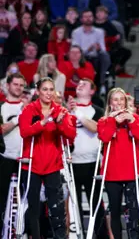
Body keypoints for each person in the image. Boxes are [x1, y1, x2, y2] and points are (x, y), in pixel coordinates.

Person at [19, 77, 76, 239]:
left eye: (51, 89)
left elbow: (71, 135)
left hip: (53, 164)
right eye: (45, 89)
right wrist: (42, 123)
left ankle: (60, 237)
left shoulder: (61, 110)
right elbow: (24, 132)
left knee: (57, 207)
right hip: (32, 164)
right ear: (38, 91)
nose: (48, 93)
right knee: (34, 207)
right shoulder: (29, 110)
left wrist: (60, 124)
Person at [97, 87, 139, 239]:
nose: (118, 102)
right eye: (115, 99)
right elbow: (105, 138)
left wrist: (131, 121)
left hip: (131, 172)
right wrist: (113, 120)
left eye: (121, 99)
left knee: (133, 211)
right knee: (115, 211)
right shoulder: (103, 121)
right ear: (110, 103)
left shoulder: (134, 118)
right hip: (113, 173)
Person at [67, 78, 109, 238]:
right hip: (72, 164)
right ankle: (76, 235)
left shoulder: (97, 111)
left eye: (84, 84)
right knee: (73, 206)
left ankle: (100, 236)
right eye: (78, 84)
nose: (80, 86)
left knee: (96, 205)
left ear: (92, 91)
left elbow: (95, 129)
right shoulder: (66, 110)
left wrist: (77, 112)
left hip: (92, 164)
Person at [0, 73, 26, 220]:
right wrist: (18, 118)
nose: (19, 88)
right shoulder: (1, 107)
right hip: (5, 157)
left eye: (22, 85)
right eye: (16, 84)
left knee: (28, 199)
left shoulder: (30, 107)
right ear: (8, 85)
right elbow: (1, 129)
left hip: (26, 159)